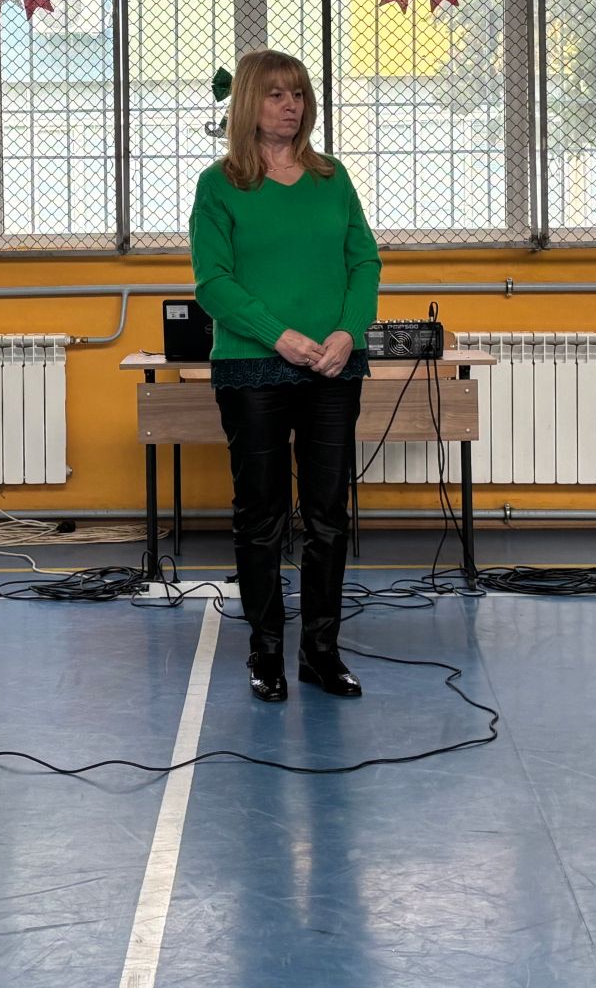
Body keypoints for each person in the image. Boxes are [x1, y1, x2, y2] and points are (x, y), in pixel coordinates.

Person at [190, 49, 380, 704]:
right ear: (249, 102)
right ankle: (266, 652)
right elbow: (213, 282)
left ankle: (321, 653)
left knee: (328, 513)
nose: (291, 105)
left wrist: (346, 333)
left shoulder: (333, 177)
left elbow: (365, 262)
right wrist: (279, 336)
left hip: (334, 366)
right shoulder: (219, 185)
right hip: (253, 368)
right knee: (261, 515)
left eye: (297, 93)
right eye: (275, 94)